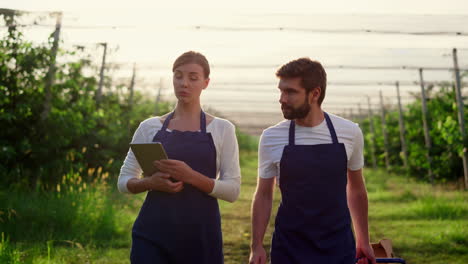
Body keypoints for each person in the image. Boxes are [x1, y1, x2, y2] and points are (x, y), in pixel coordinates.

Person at [118, 51, 241, 264]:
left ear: (206, 83)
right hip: (152, 233)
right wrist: (150, 183)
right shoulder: (149, 127)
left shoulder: (222, 129)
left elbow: (232, 191)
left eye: (193, 78)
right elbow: (123, 182)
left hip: (200, 235)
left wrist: (191, 176)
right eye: (178, 76)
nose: (184, 83)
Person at [249, 58, 376, 264]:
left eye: (290, 92)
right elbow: (263, 194)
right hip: (289, 247)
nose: (281, 98)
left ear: (314, 94)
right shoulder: (272, 137)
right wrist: (256, 246)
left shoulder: (349, 132)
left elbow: (356, 189)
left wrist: (364, 241)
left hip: (338, 246)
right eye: (281, 91)